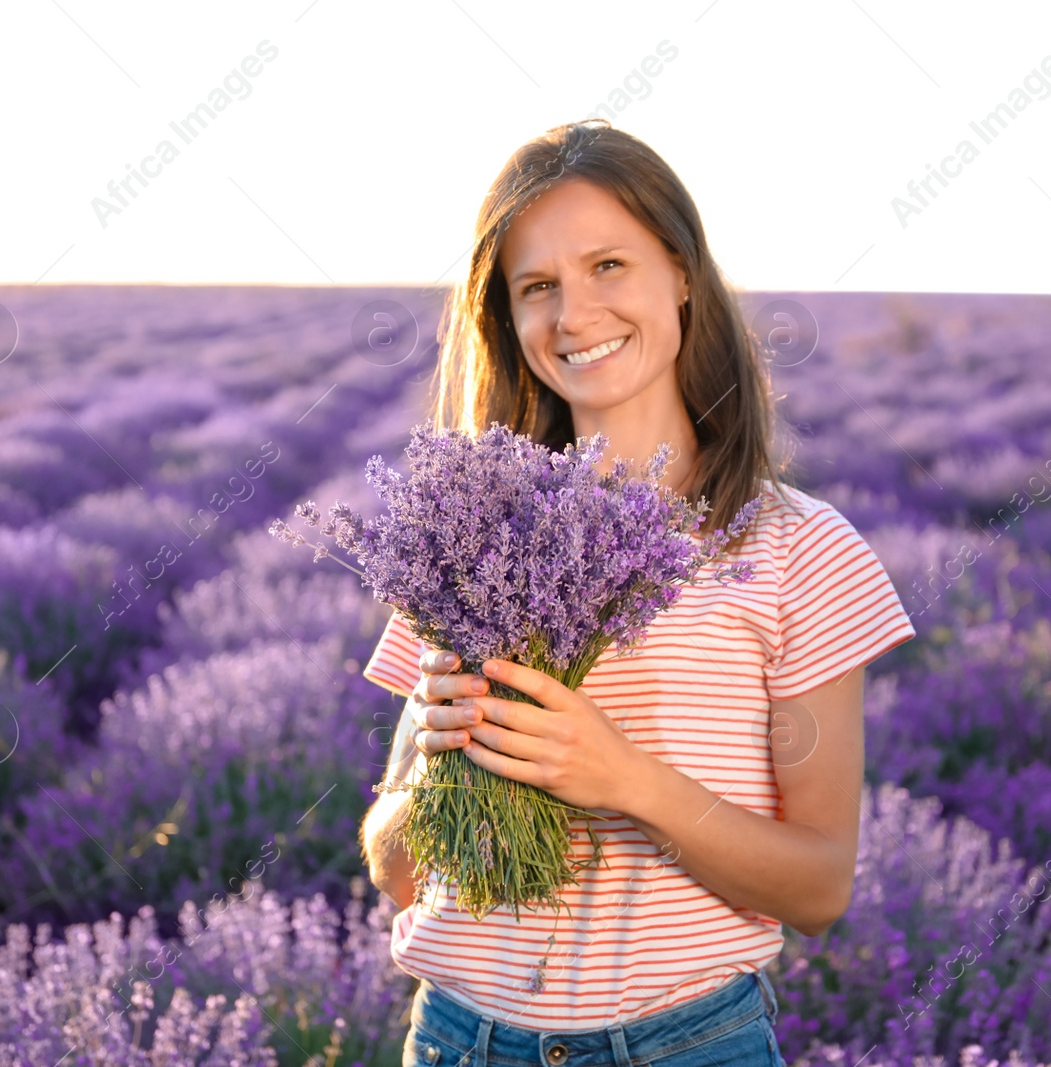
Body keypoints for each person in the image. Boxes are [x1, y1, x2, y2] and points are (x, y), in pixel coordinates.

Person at [359, 120, 916, 1067]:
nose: (573, 315)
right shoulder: (466, 542)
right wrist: (429, 766)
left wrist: (621, 779)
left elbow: (819, 889)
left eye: (608, 265)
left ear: (683, 272)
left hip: (684, 1045)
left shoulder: (798, 549)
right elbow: (396, 868)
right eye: (537, 286)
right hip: (456, 1039)